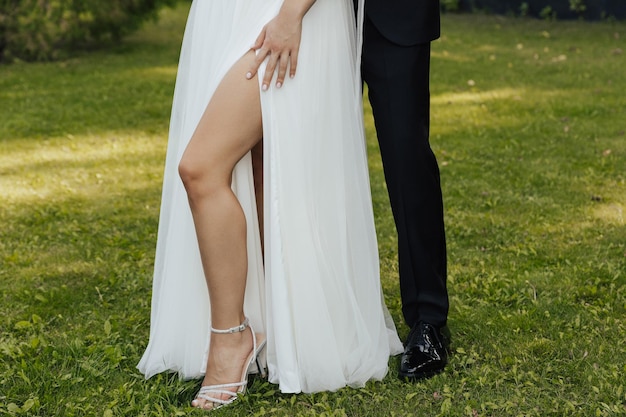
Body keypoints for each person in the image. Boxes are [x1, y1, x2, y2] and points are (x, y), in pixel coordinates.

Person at [137, 0, 402, 411]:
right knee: (263, 167)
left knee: (200, 168)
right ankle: (277, 327)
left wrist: (291, 14)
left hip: (287, 13)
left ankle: (231, 339)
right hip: (227, 13)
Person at [360, 0, 451, 381]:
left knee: (406, 159)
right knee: (301, 158)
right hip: (306, 21)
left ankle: (428, 318)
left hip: (392, 12)